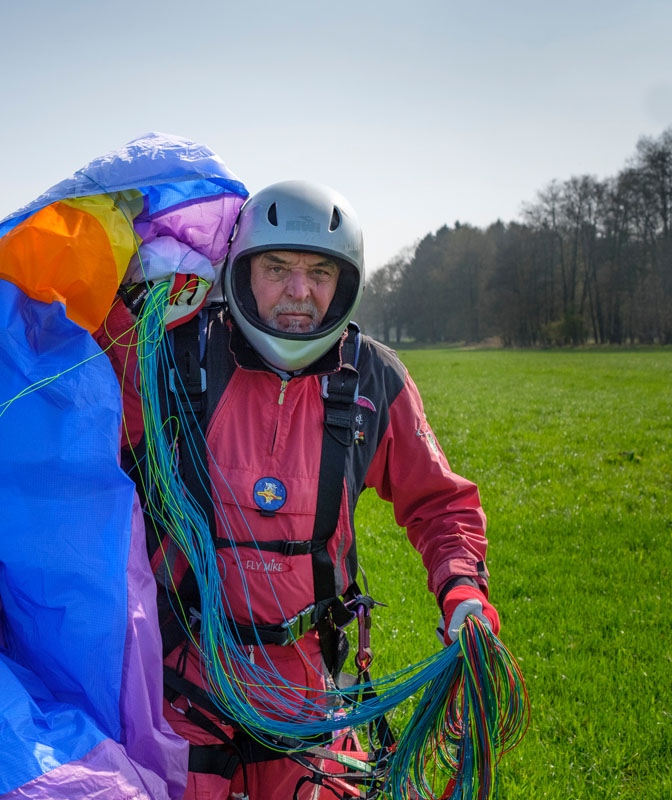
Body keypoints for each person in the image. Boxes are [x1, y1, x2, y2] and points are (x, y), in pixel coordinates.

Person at [95, 180, 499, 800]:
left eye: (319, 273)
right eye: (277, 268)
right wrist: (117, 291)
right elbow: (83, 414)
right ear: (241, 271)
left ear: (346, 282)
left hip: (307, 687)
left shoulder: (372, 379)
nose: (298, 292)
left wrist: (462, 589)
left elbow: (440, 502)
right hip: (184, 676)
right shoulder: (172, 355)